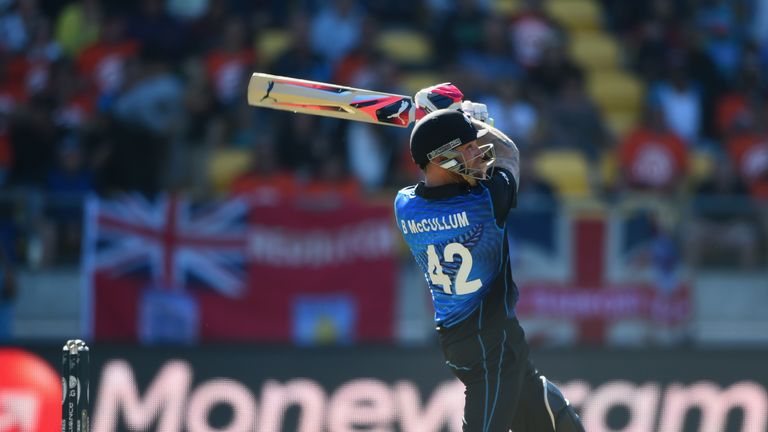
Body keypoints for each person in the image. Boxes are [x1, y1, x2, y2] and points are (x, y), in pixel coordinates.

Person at [394, 84, 585, 431]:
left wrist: (447, 124)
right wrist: (468, 119)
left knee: (548, 414)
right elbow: (509, 152)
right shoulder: (485, 202)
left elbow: (432, 166)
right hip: (490, 345)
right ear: (443, 156)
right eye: (468, 148)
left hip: (464, 340)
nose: (479, 154)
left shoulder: (405, 206)